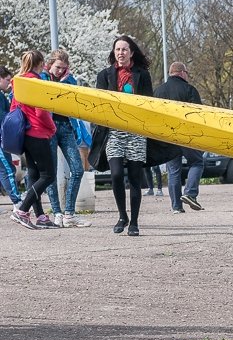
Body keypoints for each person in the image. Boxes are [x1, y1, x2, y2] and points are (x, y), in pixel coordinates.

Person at [95, 35, 154, 236]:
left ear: (131, 52)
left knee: (135, 178)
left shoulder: (142, 74)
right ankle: (122, 215)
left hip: (136, 131)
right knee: (117, 174)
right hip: (114, 132)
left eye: (124, 49)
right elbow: (99, 104)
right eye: (117, 49)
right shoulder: (105, 75)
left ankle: (134, 222)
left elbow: (149, 103)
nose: (120, 53)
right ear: (114, 52)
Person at [41, 49, 92, 227]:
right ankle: (57, 212)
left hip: (66, 127)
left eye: (63, 68)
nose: (60, 71)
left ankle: (69, 213)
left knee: (77, 169)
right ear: (49, 65)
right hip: (49, 127)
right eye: (57, 67)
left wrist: (67, 81)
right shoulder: (42, 78)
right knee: (51, 173)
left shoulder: (69, 80)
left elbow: (74, 99)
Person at [9, 51, 57, 229]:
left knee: (35, 174)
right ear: (41, 64)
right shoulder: (37, 83)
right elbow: (42, 111)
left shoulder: (19, 82)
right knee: (48, 175)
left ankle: (41, 217)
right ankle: (22, 210)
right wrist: (52, 127)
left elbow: (14, 108)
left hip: (25, 135)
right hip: (38, 133)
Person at [154, 61, 204, 213]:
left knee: (173, 170)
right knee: (197, 162)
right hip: (186, 134)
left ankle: (176, 206)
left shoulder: (158, 91)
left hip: (168, 136)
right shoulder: (190, 90)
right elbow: (198, 114)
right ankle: (190, 193)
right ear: (182, 73)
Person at [0, 65, 22, 209]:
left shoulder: (2, 95)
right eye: (7, 80)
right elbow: (5, 117)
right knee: (7, 169)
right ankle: (17, 202)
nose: (9, 83)